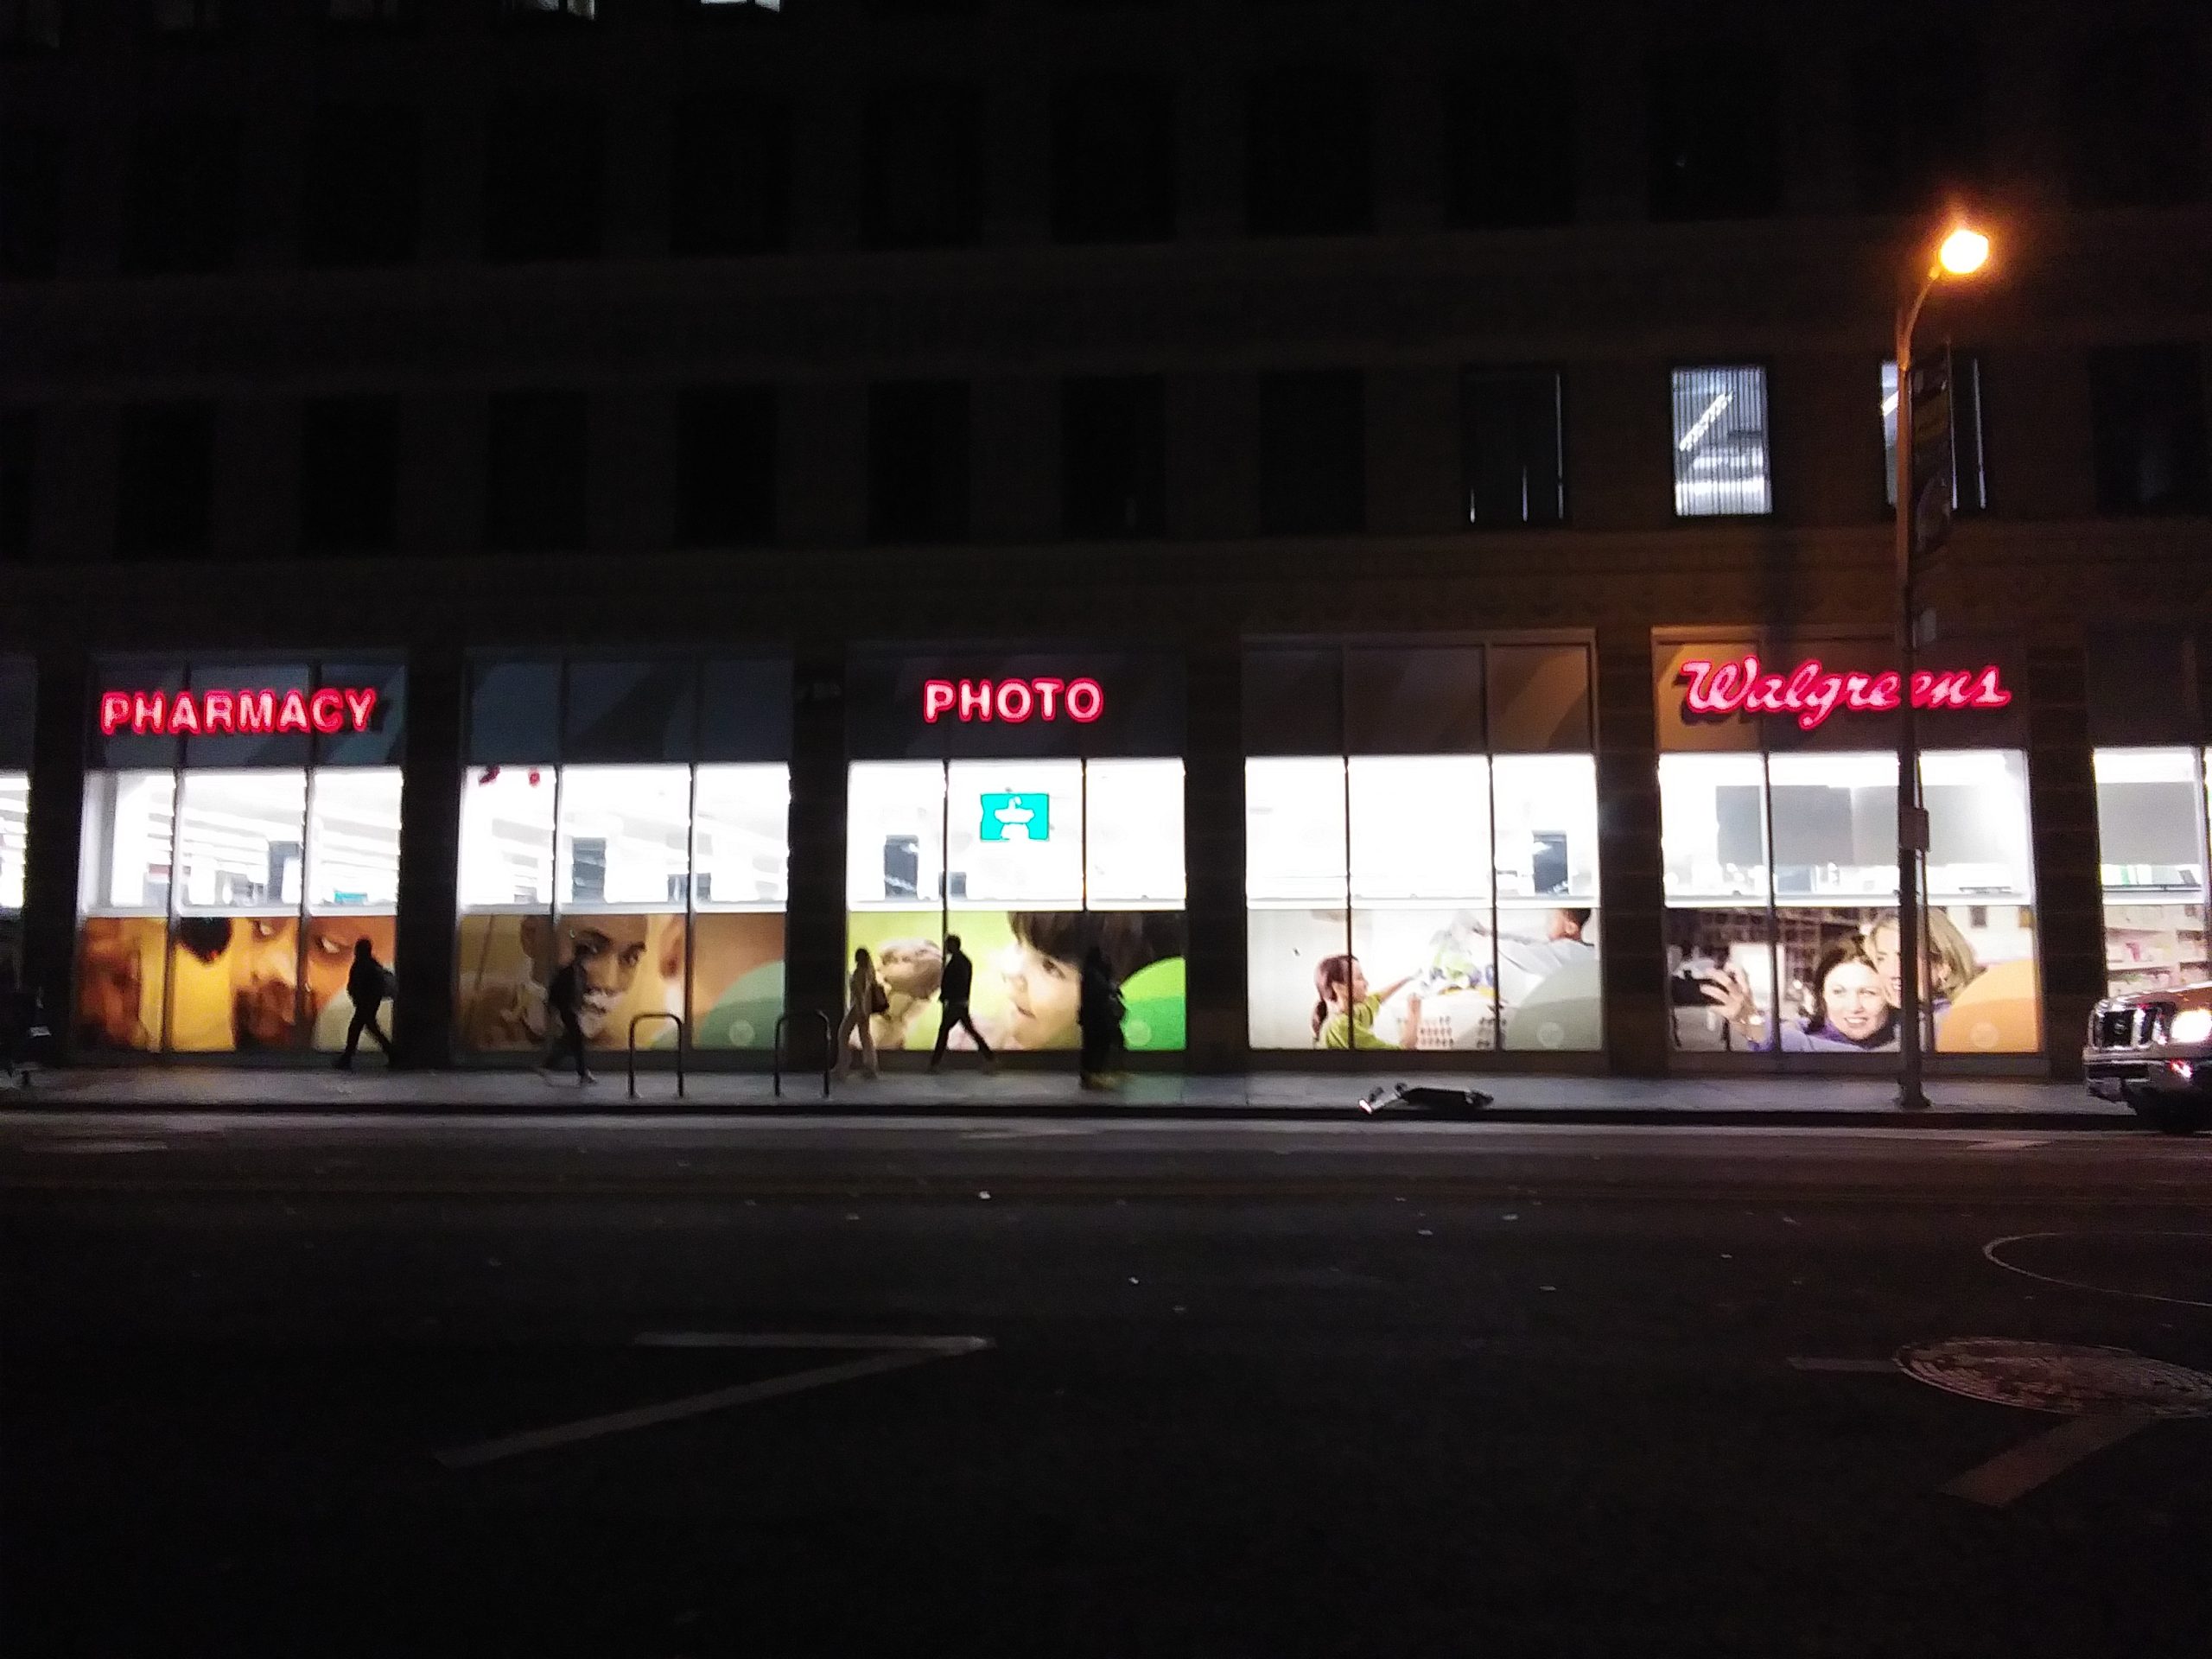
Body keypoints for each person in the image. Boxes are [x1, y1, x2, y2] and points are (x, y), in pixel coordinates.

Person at [1704, 938, 1898, 1052]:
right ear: (1822, 997)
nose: (1854, 1006)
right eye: (1838, 992)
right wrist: (1753, 1024)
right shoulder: (1793, 1035)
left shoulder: (1906, 1045)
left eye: (1868, 993)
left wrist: (1756, 1027)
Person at [1312, 955, 1418, 1050]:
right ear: (1339, 988)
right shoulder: (1341, 1027)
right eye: (1359, 978)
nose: (1366, 983)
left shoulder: (1354, 1013)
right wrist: (1414, 1012)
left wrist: (1408, 979)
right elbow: (1400, 1054)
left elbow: (1378, 997)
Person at [928, 933, 994, 1071]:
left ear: (953, 945)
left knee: (944, 1032)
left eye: (948, 945)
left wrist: (947, 996)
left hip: (955, 1003)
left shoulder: (957, 963)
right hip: (960, 1003)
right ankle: (990, 1058)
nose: (946, 948)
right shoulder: (963, 961)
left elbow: (954, 983)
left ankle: (935, 1063)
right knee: (968, 1030)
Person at [537, 946, 596, 1084]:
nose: (588, 959)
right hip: (567, 1008)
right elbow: (555, 989)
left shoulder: (581, 972)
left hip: (575, 1009)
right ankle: (582, 1072)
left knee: (569, 1040)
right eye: (587, 956)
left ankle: (547, 1065)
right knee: (577, 1039)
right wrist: (553, 1006)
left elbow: (580, 989)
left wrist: (587, 994)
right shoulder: (567, 971)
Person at [335, 938, 395, 1070]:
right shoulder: (372, 965)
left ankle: (347, 1058)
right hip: (368, 1003)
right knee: (368, 1028)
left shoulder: (363, 965)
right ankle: (392, 1054)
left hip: (364, 1003)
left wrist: (358, 997)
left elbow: (357, 985)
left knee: (358, 1029)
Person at [1077, 944, 1122, 1087]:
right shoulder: (1093, 975)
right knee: (1095, 1046)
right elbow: (1100, 991)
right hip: (1095, 1018)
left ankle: (1093, 1074)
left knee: (1094, 1046)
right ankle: (1093, 1075)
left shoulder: (1090, 973)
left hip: (1093, 1018)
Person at [833, 946, 881, 1079]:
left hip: (858, 1008)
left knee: (843, 1034)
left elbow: (860, 994)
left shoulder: (860, 973)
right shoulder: (869, 973)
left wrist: (860, 1009)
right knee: (865, 1037)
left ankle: (843, 1065)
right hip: (864, 1008)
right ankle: (870, 1067)